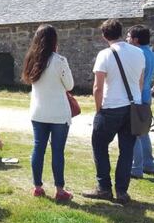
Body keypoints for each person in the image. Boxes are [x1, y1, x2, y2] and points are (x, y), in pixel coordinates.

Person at [82, 19, 145, 204]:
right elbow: (140, 83)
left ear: (104, 36)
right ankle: (122, 191)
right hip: (133, 106)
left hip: (111, 107)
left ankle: (104, 188)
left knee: (99, 145)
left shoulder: (105, 54)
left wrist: (98, 110)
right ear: (121, 32)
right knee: (127, 151)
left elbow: (97, 87)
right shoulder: (138, 52)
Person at [21, 24, 74, 201]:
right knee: (57, 151)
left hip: (38, 112)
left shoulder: (31, 59)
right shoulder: (59, 60)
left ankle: (37, 187)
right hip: (58, 112)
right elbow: (70, 85)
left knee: (38, 148)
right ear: (54, 40)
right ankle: (59, 190)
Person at [126, 25, 154, 178]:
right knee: (143, 132)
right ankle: (148, 164)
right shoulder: (150, 52)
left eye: (129, 37)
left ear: (135, 40)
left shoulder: (137, 53)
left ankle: (136, 169)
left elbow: (138, 79)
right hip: (146, 96)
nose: (127, 39)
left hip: (138, 96)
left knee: (134, 133)